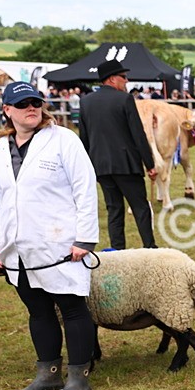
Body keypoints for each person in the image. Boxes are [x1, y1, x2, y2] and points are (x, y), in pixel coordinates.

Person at [0, 82, 99, 390]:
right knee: (37, 310)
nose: (31, 108)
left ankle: (79, 378)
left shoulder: (63, 140)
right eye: (22, 104)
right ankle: (48, 375)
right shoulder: (1, 147)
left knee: (72, 308)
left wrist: (85, 238)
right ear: (7, 110)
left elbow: (85, 187)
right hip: (18, 246)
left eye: (35, 102)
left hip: (60, 244)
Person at [78, 59, 157, 249]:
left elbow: (84, 138)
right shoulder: (125, 99)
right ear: (112, 79)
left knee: (114, 209)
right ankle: (150, 247)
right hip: (126, 164)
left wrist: (89, 166)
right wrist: (150, 164)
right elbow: (138, 135)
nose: (126, 81)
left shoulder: (86, 102)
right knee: (140, 208)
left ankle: (117, 250)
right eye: (123, 77)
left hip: (101, 166)